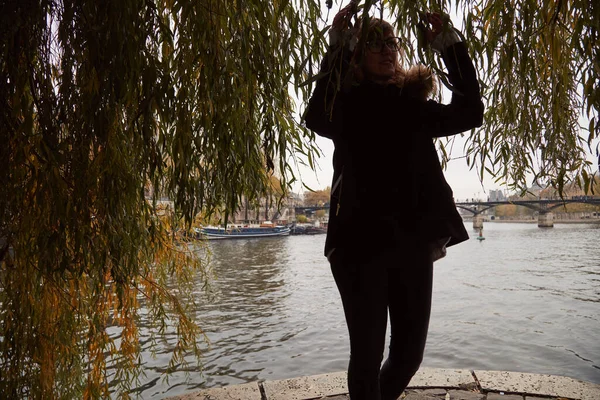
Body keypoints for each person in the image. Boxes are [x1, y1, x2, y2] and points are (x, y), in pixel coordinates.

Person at [303, 3, 484, 400]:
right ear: (357, 54)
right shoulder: (346, 105)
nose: (388, 50)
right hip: (358, 246)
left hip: (413, 243)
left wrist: (449, 46)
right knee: (366, 356)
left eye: (391, 42)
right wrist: (336, 48)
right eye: (374, 43)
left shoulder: (413, 106)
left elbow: (471, 112)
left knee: (408, 354)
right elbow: (315, 115)